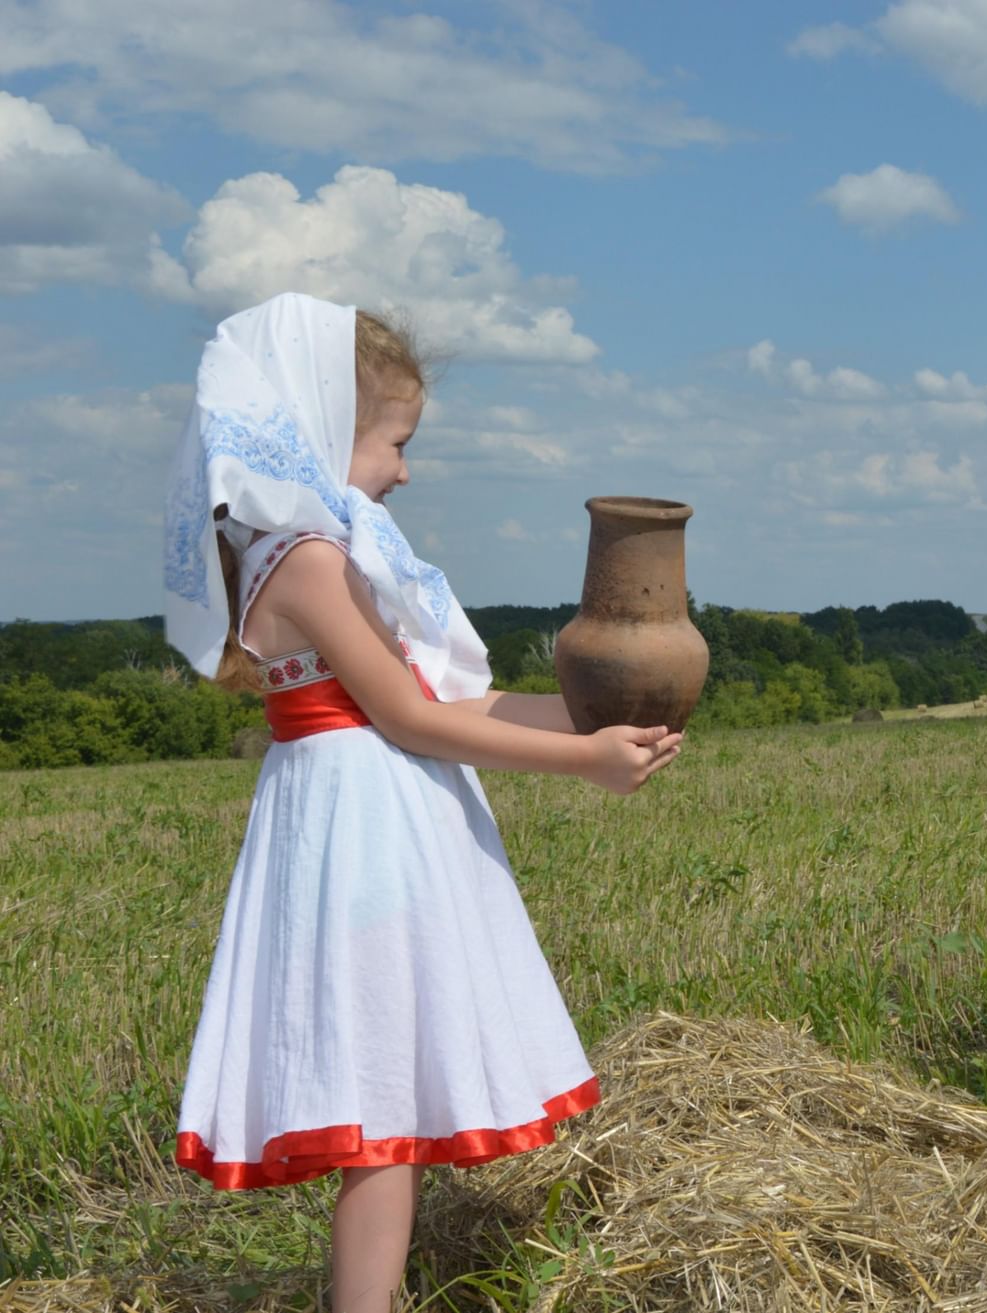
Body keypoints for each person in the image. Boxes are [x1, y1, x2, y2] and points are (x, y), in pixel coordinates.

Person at [162, 292, 683, 1312]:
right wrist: (585, 765)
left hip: (372, 817)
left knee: (386, 1092)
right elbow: (409, 718)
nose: (404, 467)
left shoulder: (323, 551)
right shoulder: (308, 561)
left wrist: (593, 715)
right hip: (362, 833)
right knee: (377, 1100)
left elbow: (455, 699)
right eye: (394, 441)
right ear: (320, 427)